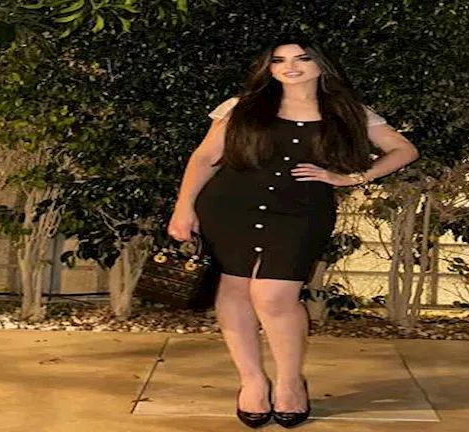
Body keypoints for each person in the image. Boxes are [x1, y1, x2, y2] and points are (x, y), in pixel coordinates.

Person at [166, 34, 419, 428]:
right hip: (230, 207)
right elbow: (205, 157)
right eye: (278, 60)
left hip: (301, 213)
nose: (290, 67)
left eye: (301, 58)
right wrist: (184, 207)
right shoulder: (241, 107)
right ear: (268, 68)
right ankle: (252, 382)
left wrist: (351, 177)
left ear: (320, 64)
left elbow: (404, 150)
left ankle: (289, 382)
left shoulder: (348, 111)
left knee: (274, 297)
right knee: (234, 290)